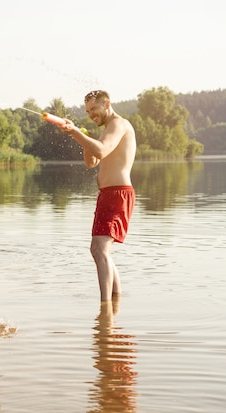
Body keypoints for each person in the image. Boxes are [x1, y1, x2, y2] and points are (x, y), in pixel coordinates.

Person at [58, 90, 136, 302]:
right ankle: (114, 302)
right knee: (99, 251)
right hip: (107, 195)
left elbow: (101, 152)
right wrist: (84, 139)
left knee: (99, 249)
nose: (91, 115)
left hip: (118, 194)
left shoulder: (119, 125)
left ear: (107, 103)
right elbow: (91, 162)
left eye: (94, 109)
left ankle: (105, 310)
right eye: (88, 111)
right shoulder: (106, 130)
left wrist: (75, 132)